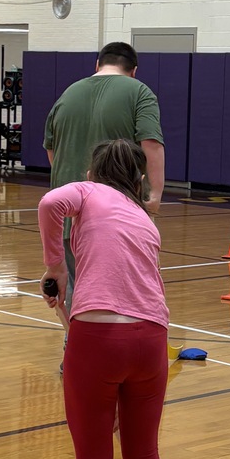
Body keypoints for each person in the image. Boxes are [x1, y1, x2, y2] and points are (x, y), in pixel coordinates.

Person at [38, 138, 170, 459]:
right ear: (137, 180)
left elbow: (51, 202)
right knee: (144, 456)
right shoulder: (143, 219)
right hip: (152, 341)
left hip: (99, 341)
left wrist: (55, 265)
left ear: (92, 172)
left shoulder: (87, 193)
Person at [43, 42, 165, 315]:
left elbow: (52, 150)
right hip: (118, 217)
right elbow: (151, 144)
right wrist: (154, 195)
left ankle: (75, 353)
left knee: (75, 290)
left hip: (68, 216)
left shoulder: (68, 93)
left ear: (97, 65)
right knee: (120, 295)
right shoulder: (140, 92)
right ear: (133, 71)